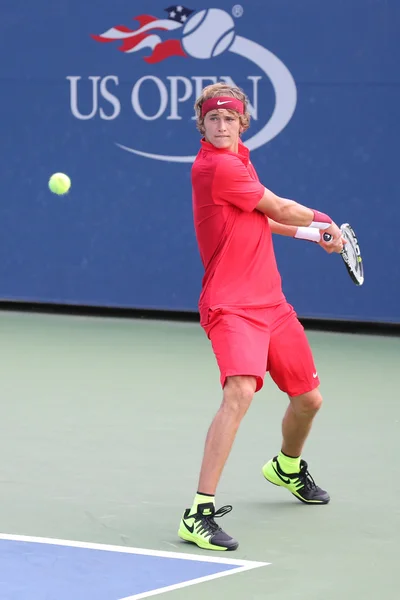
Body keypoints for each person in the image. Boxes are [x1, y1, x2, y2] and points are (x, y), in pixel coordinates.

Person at [177, 82, 344, 552]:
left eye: (230, 119)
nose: (222, 126)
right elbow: (280, 206)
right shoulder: (217, 167)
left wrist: (311, 236)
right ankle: (198, 512)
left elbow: (258, 217)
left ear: (243, 123)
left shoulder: (239, 161)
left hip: (271, 302)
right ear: (202, 125)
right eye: (213, 119)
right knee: (240, 391)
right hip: (231, 305)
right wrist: (324, 220)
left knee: (309, 400)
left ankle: (287, 467)